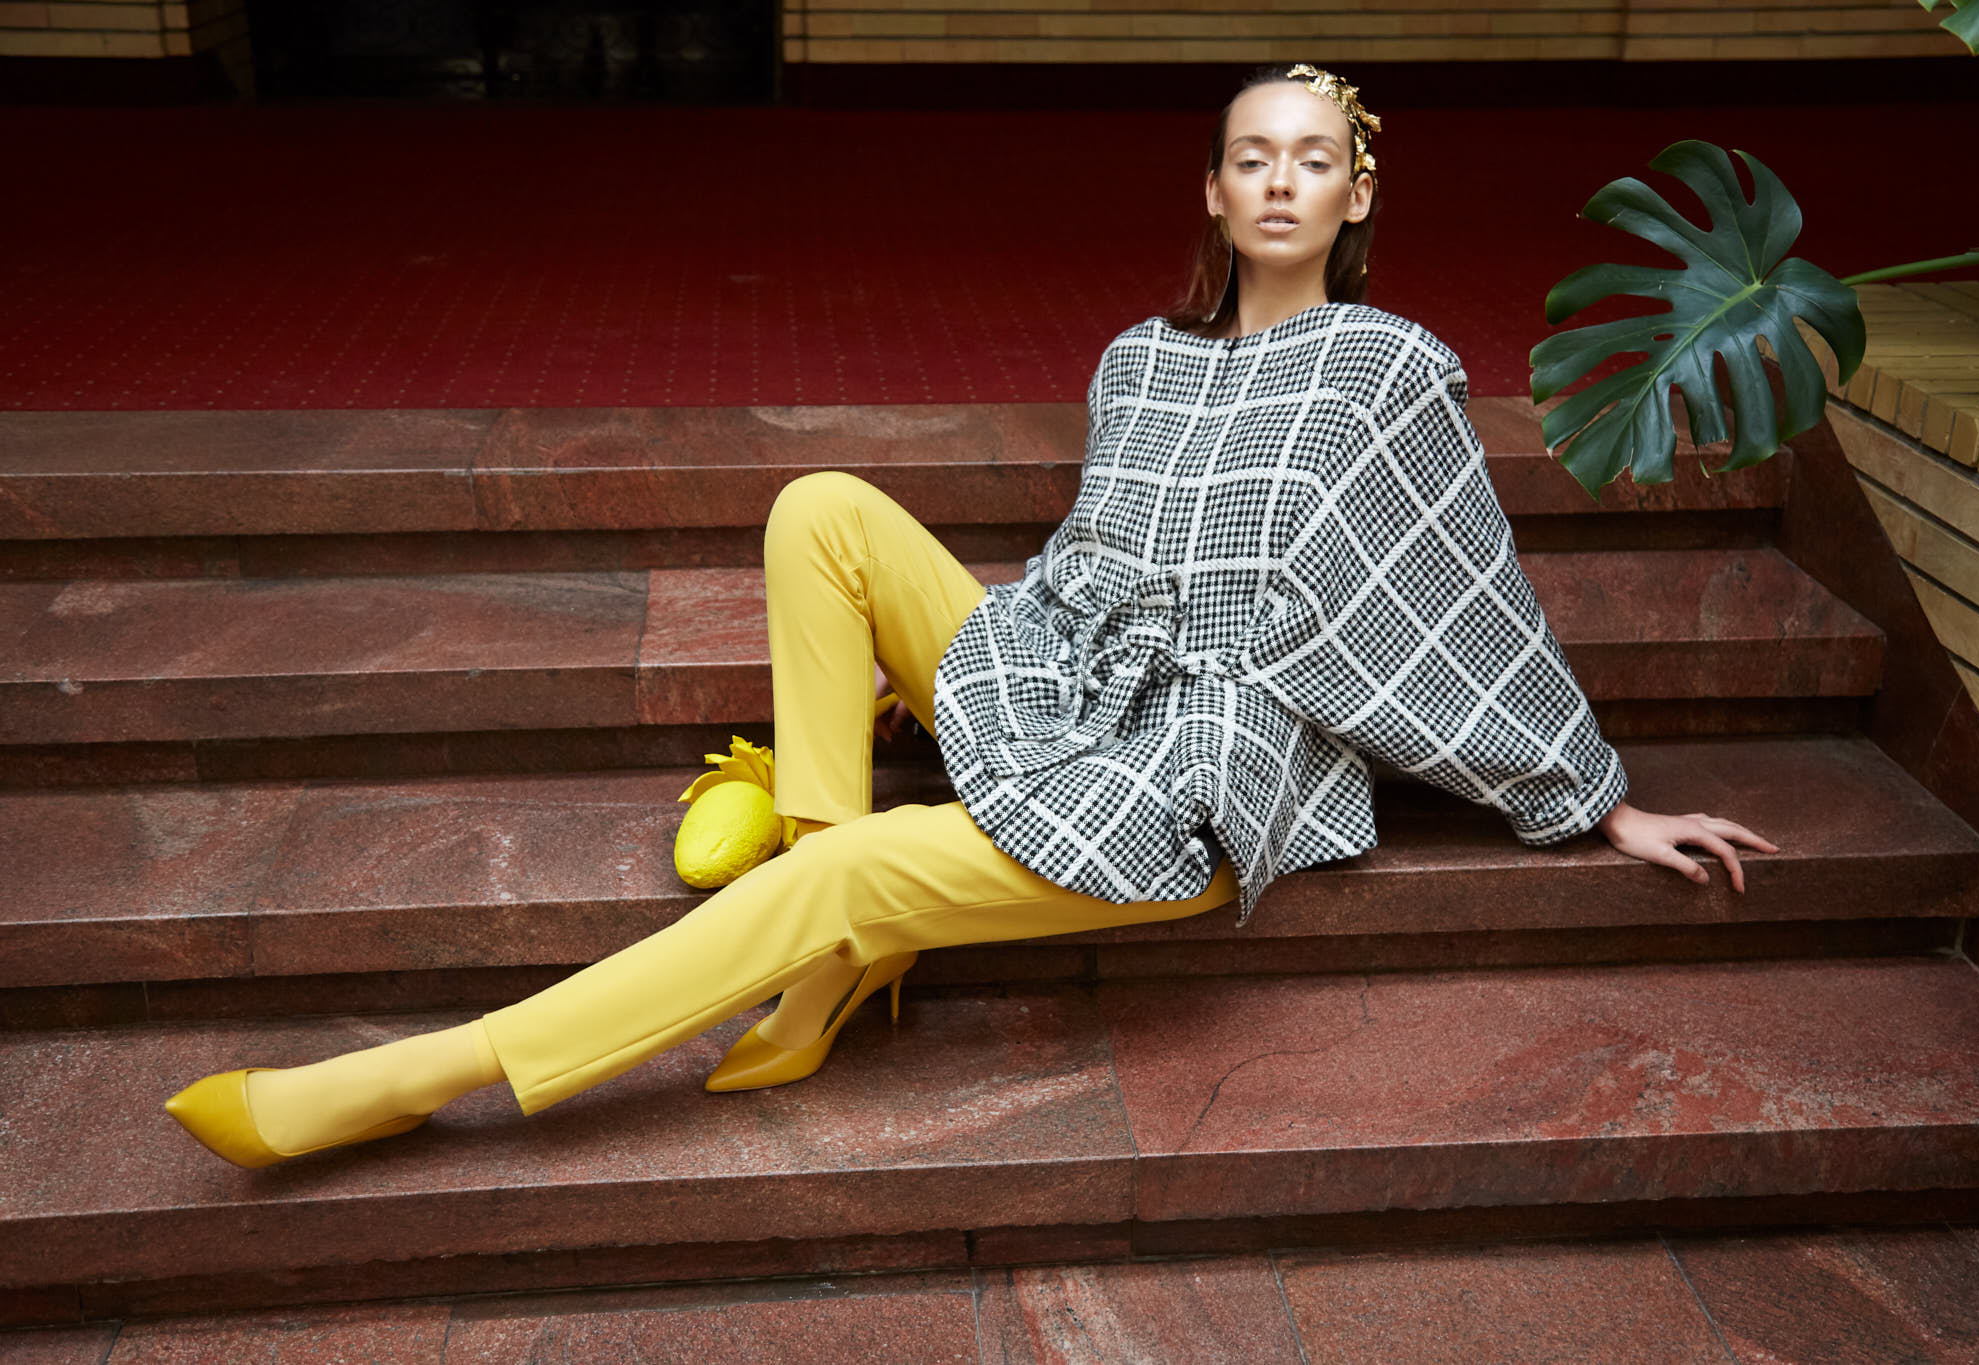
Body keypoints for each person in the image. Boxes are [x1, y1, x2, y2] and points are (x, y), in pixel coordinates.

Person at [165, 61, 1776, 1169]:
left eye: (1313, 159)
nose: (1281, 181)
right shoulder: (1141, 358)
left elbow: (1459, 598)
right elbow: (1090, 559)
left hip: (1197, 770)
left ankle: (415, 1078)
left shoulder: (1393, 371)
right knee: (821, 507)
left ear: (1358, 192)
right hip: (1067, 671)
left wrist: (1601, 799)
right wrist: (973, 664)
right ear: (1213, 190)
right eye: (1252, 156)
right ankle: (825, 929)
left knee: (855, 869)